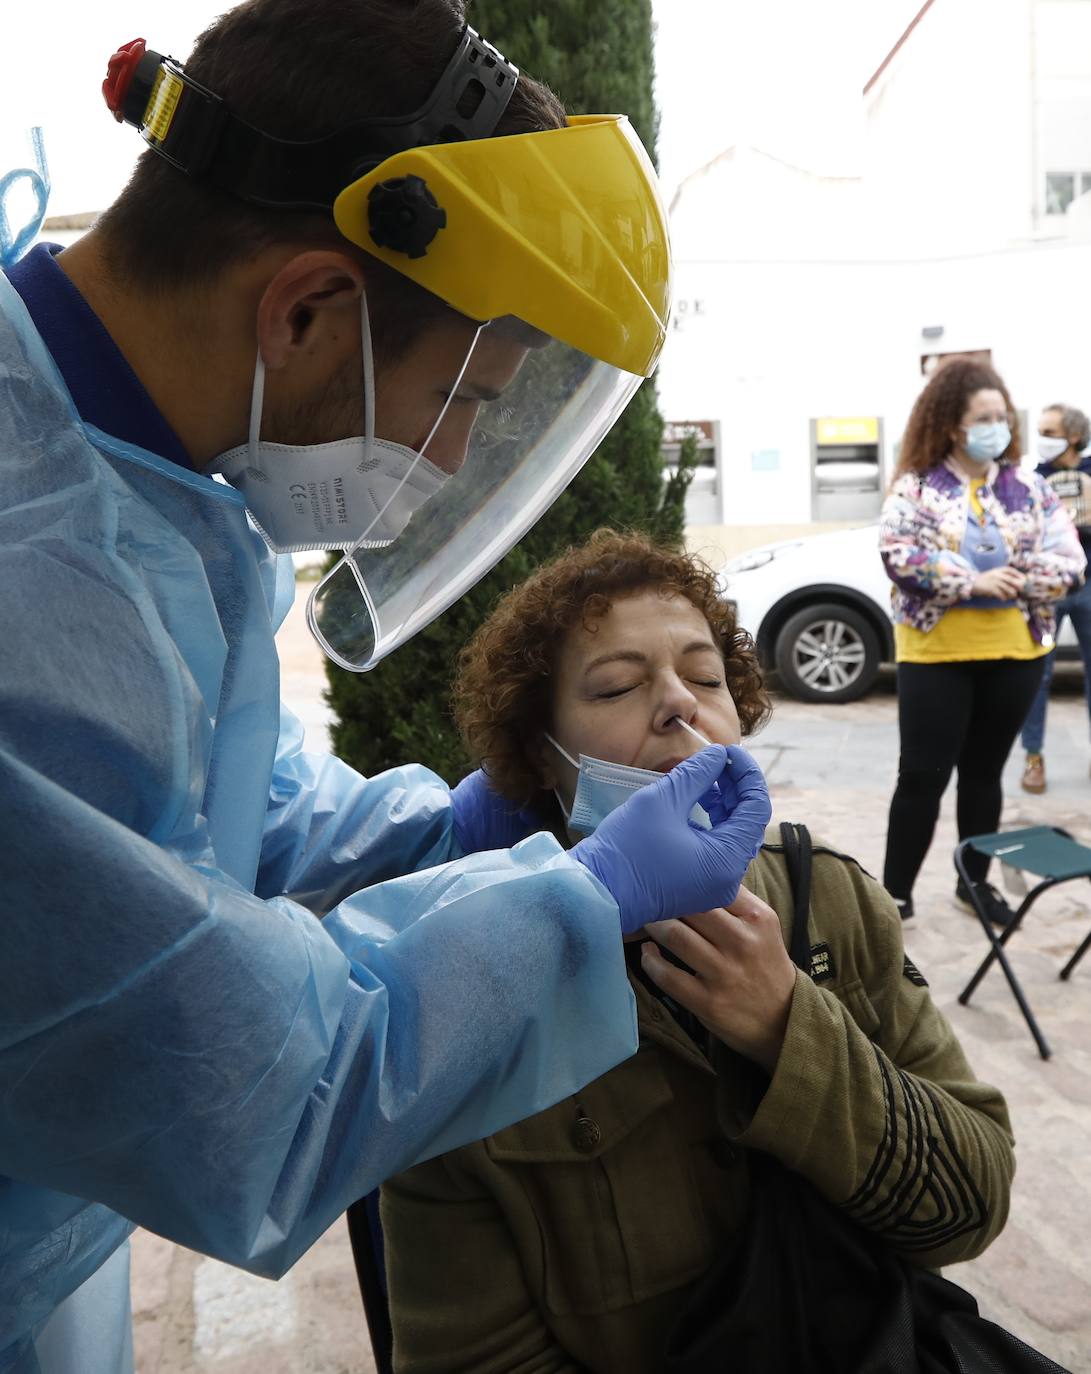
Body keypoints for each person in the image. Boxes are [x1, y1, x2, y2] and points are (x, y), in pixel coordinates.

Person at [0, 5, 775, 1371]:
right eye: (466, 401)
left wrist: (477, 819)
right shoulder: (31, 597)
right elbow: (258, 1087)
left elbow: (229, 819)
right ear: (309, 310)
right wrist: (585, 901)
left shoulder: (141, 481)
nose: (451, 455)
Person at [379, 530, 1016, 1374]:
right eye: (615, 685)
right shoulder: (468, 991)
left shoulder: (829, 898)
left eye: (707, 676)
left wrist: (790, 1028)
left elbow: (969, 1206)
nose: (680, 703)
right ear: (541, 751)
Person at [879, 359, 1085, 926]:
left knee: (984, 774)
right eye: (982, 417)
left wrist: (1013, 576)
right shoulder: (916, 487)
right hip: (935, 654)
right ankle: (894, 895)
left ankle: (974, 883)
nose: (996, 426)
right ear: (951, 425)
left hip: (1016, 652)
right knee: (922, 775)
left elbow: (1071, 563)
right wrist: (971, 581)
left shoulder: (1030, 487)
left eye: (1001, 416)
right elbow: (900, 556)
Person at [1019, 403, 1091, 793]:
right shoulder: (1033, 479)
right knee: (1036, 677)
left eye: (1049, 431)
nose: (1042, 438)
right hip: (1048, 590)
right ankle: (1034, 759)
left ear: (1074, 436)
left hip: (1090, 586)